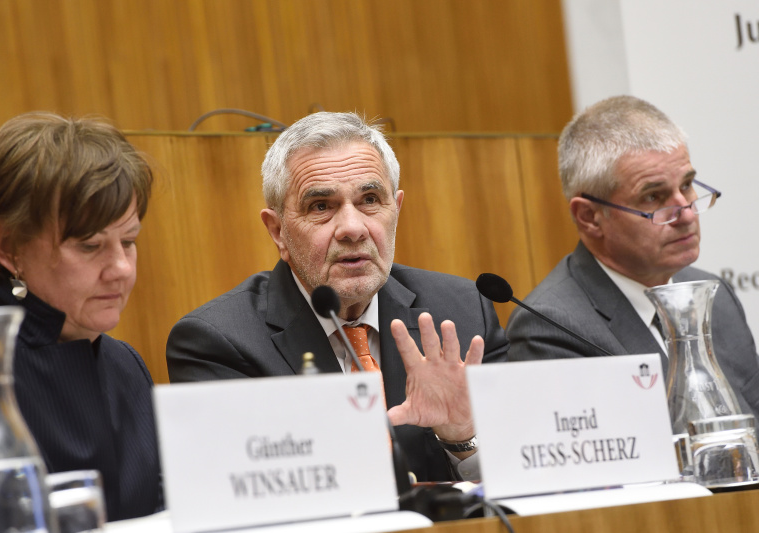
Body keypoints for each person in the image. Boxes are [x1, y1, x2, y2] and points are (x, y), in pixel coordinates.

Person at [166, 111, 509, 481]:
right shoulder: (220, 343)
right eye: (321, 206)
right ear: (278, 231)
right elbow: (236, 490)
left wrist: (461, 437)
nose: (352, 228)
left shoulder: (463, 313)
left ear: (396, 210)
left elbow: (525, 478)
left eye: (370, 199)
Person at [506, 95, 759, 420]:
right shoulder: (553, 327)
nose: (686, 214)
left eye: (687, 185)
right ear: (589, 217)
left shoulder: (714, 295)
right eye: (653, 197)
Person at [0, 112, 162, 521]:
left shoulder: (126, 366)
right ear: (8, 247)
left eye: (129, 241)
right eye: (90, 245)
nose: (121, 268)